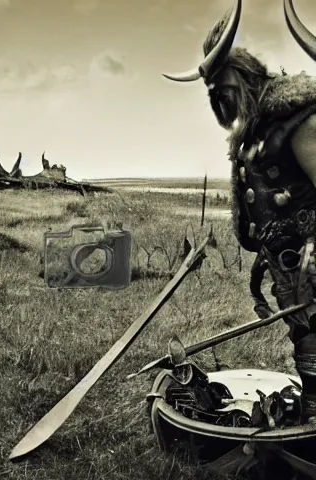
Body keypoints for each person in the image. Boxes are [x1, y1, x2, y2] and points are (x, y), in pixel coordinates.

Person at [163, 0, 316, 423]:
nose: (217, 103)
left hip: (309, 260)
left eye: (222, 90)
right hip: (286, 264)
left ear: (246, 79)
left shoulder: (296, 121)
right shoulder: (255, 132)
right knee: (305, 337)